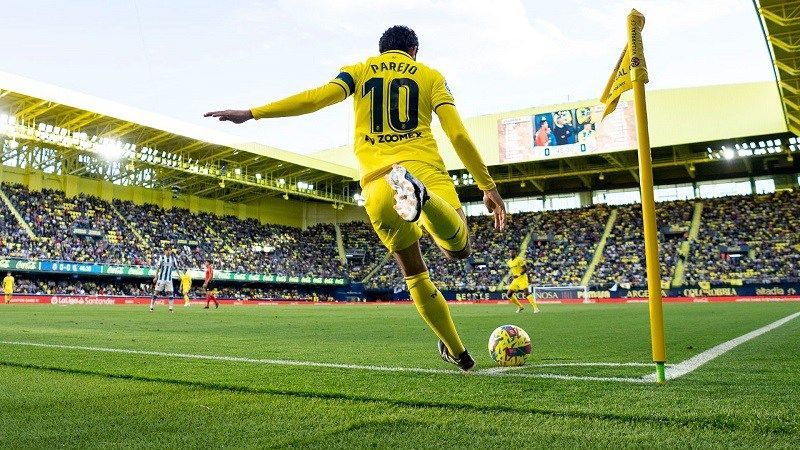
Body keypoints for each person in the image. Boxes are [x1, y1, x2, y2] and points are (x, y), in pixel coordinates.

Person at [205, 25, 506, 371]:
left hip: (377, 185)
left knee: (415, 273)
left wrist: (253, 113)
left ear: (382, 51)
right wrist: (487, 186)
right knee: (458, 248)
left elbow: (316, 98)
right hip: (422, 169)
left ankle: (459, 353)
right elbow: (457, 134)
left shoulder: (360, 70)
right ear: (414, 51)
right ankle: (423, 198)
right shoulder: (431, 76)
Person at [506, 250, 540, 314]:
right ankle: (520, 307)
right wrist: (511, 277)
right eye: (510, 253)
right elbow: (513, 270)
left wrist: (520, 275)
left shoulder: (519, 259)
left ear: (515, 253)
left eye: (512, 252)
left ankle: (536, 308)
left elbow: (525, 269)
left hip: (522, 278)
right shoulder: (509, 262)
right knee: (509, 294)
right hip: (515, 279)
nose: (511, 253)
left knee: (526, 293)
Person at [151, 247, 180, 313]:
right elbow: (158, 268)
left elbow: (177, 267)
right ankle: (151, 307)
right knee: (156, 292)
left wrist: (179, 275)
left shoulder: (173, 259)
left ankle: (170, 309)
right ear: (164, 251)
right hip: (161, 279)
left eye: (170, 250)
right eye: (167, 250)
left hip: (169, 279)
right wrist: (156, 277)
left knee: (170, 293)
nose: (169, 252)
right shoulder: (162, 258)